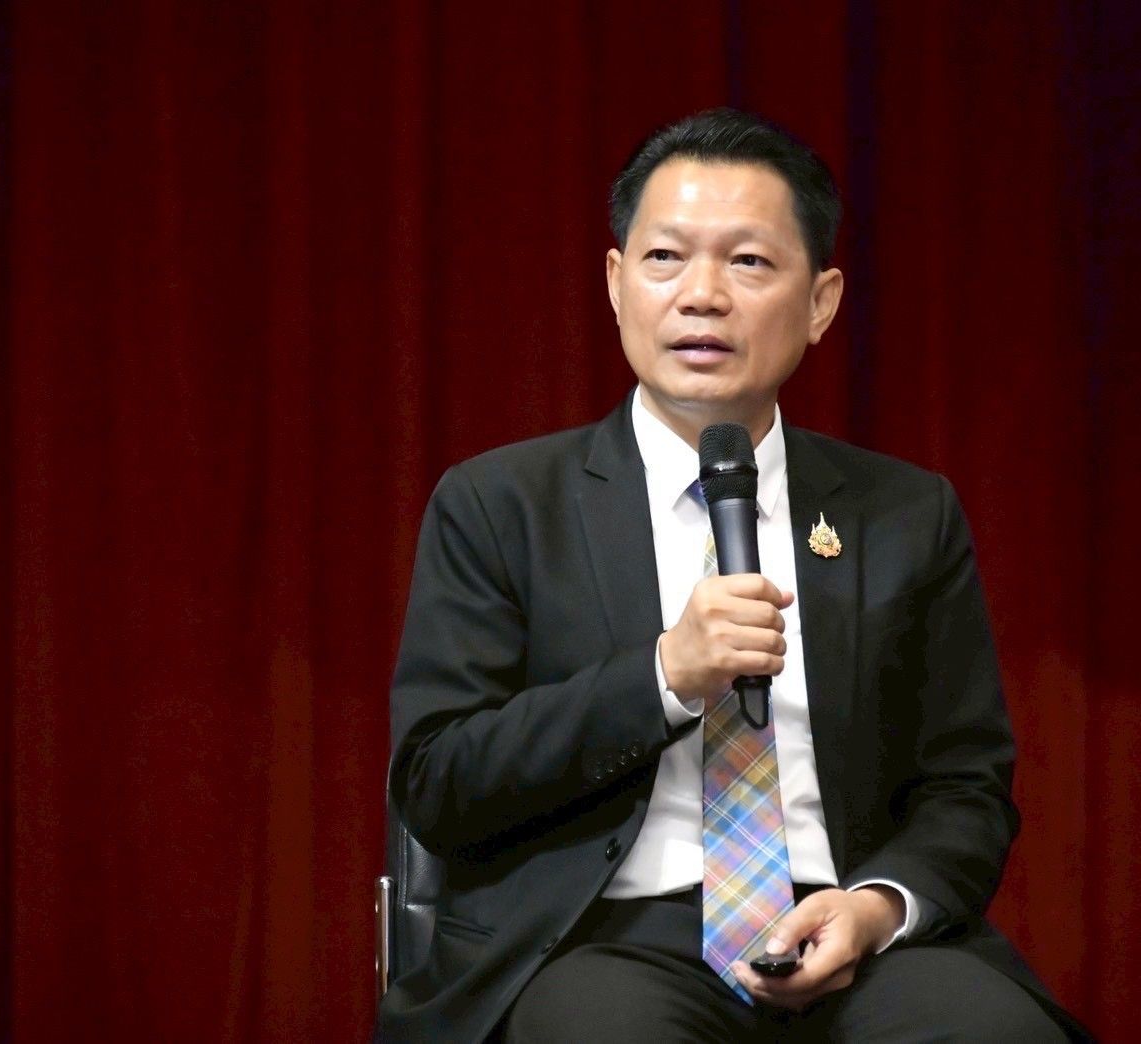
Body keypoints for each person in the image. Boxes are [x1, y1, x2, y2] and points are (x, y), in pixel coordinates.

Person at [381, 108, 1083, 1042]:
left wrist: (876, 907)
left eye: (748, 262)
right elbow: (438, 780)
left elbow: (966, 785)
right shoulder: (501, 504)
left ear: (821, 302)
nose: (701, 295)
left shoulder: (905, 513)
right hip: (601, 942)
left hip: (847, 935)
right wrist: (663, 677)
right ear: (616, 284)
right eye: (665, 258)